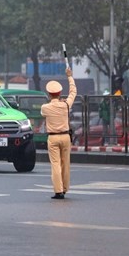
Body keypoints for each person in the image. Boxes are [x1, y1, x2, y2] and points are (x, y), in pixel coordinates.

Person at [40, 67, 76, 200]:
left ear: (49, 94)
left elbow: (43, 114)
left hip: (53, 137)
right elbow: (73, 92)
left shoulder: (45, 108)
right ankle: (65, 188)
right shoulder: (66, 105)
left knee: (55, 164)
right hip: (66, 136)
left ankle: (58, 191)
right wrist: (70, 76)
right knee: (65, 164)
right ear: (60, 93)